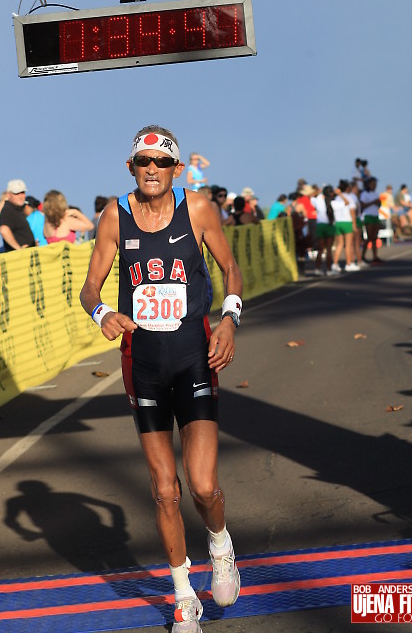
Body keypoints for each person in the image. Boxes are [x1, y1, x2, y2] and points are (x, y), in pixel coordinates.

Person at [80, 125, 243, 633]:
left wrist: (230, 317)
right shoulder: (115, 214)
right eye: (143, 161)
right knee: (164, 491)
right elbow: (89, 286)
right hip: (142, 363)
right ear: (131, 168)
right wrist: (103, 311)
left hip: (195, 356)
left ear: (176, 169)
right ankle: (183, 598)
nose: (152, 169)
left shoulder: (198, 210)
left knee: (202, 484)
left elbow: (230, 268)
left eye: (161, 161)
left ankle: (220, 545)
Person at [0, 179, 35, 252]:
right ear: (8, 195)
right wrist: (19, 249)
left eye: (23, 192)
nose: (21, 196)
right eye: (17, 193)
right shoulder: (8, 210)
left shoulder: (18, 210)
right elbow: (4, 230)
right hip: (20, 258)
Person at [332, 180, 358, 272]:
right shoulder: (349, 197)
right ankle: (348, 264)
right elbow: (352, 211)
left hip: (338, 222)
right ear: (347, 188)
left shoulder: (336, 198)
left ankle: (335, 264)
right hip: (347, 222)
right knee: (348, 244)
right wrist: (354, 224)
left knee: (339, 244)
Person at [311, 185, 336, 276]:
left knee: (320, 249)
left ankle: (317, 269)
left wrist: (318, 192)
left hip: (320, 226)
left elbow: (311, 197)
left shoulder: (318, 201)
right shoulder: (334, 203)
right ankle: (329, 270)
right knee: (329, 249)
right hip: (329, 226)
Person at [360, 177, 382, 264]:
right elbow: (363, 205)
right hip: (368, 216)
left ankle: (375, 256)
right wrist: (373, 202)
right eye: (373, 184)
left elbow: (378, 204)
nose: (374, 185)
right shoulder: (365, 194)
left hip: (375, 216)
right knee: (369, 237)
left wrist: (378, 202)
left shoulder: (375, 193)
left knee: (374, 237)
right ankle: (363, 255)